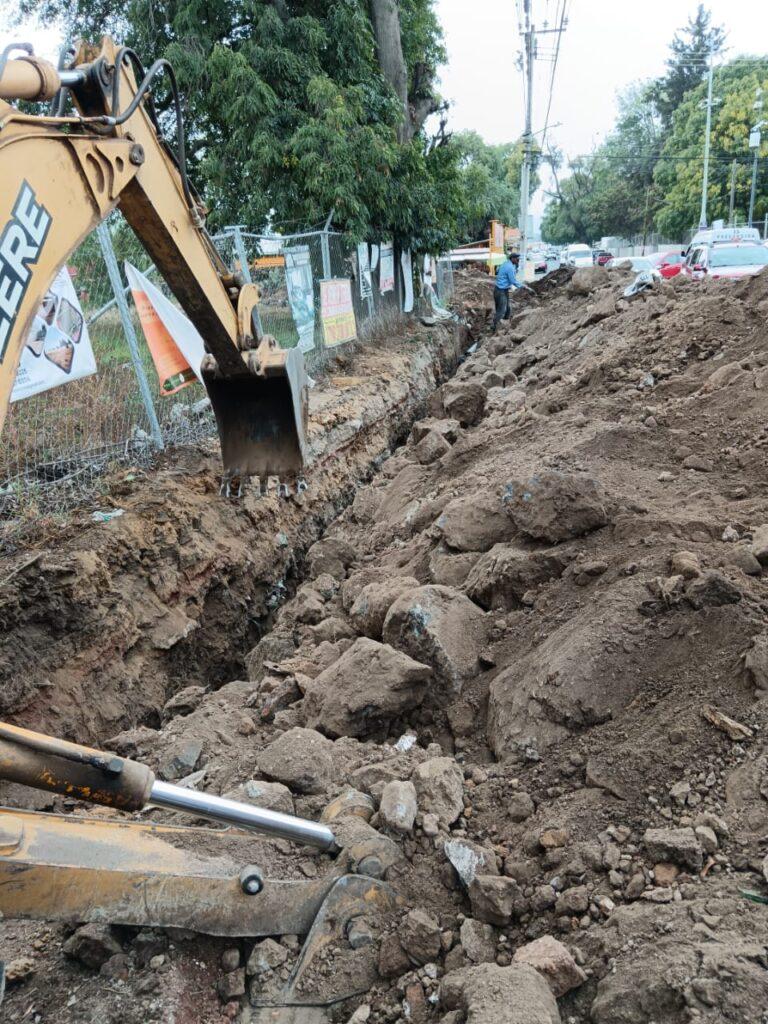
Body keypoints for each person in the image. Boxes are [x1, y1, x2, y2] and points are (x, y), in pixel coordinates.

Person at [492, 251, 524, 331]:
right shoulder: (509, 267)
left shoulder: (506, 263)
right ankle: (494, 327)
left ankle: (505, 324)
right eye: (517, 259)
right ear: (512, 258)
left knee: (507, 309)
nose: (518, 260)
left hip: (501, 290)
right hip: (501, 290)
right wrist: (522, 287)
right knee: (502, 310)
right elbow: (513, 280)